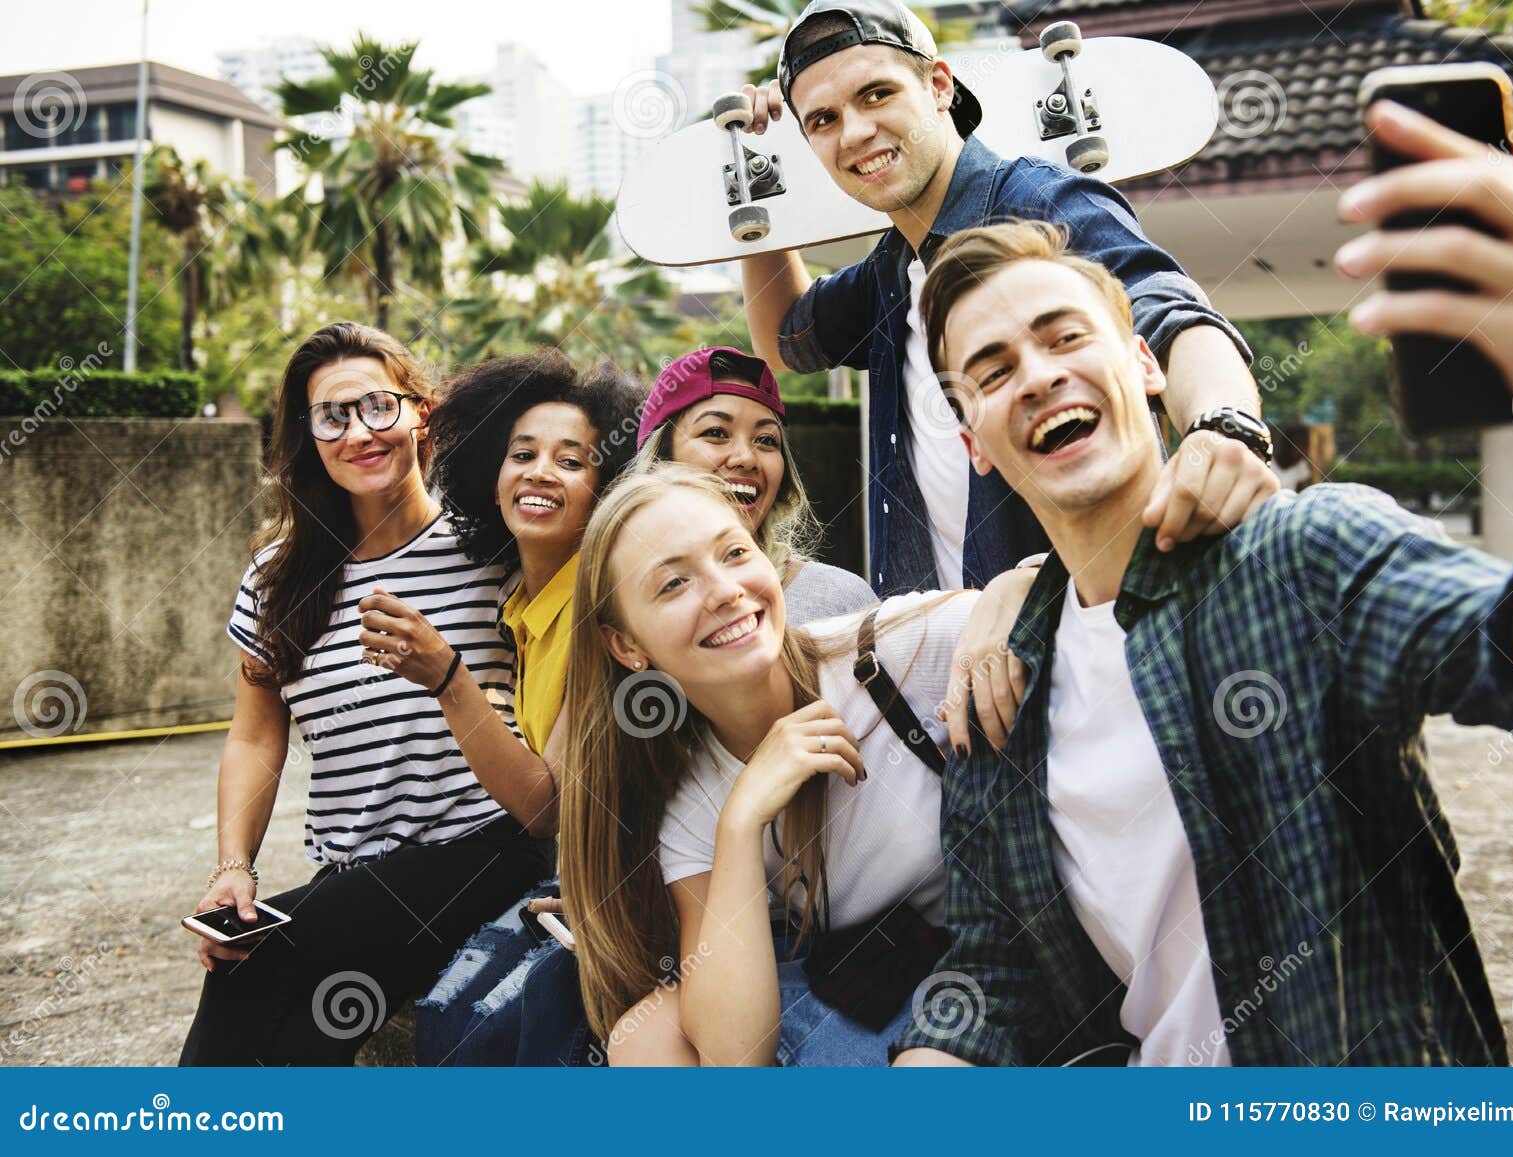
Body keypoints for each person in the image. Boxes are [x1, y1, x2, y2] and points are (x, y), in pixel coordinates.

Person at [892, 103, 1513, 1066]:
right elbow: (993, 974)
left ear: (1144, 363)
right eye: (994, 368)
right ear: (972, 440)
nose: (1037, 377)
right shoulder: (995, 686)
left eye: (1064, 338)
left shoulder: (1300, 554)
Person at [737, 0, 1279, 598]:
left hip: (1088, 630)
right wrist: (758, 180)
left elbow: (1163, 306)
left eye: (876, 95)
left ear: (939, 87)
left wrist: (1222, 427)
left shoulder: (1041, 202)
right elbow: (784, 339)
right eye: (823, 121)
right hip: (952, 656)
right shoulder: (891, 270)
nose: (856, 133)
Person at [179, 323, 549, 1066]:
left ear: (423, 412)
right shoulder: (278, 576)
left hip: (481, 852)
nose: (360, 433)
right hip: (354, 879)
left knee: (254, 963)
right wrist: (233, 869)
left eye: (380, 406)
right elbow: (255, 737)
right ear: (308, 437)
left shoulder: (492, 549)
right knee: (304, 1041)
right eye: (333, 417)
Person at [558, 465, 978, 1066]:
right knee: (641, 1038)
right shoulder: (690, 792)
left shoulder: (887, 657)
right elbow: (734, 1057)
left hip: (979, 970)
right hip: (858, 974)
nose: (725, 591)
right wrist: (742, 818)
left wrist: (1014, 590)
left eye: (733, 553)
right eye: (673, 584)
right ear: (628, 647)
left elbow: (1061, 598)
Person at [368, 350, 641, 1067]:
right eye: (522, 453)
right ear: (492, 476)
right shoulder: (519, 600)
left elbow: (545, 805)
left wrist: (448, 679)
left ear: (606, 488)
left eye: (572, 460)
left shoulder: (601, 605)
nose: (540, 472)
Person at [634, 345, 877, 622]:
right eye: (715, 432)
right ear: (660, 459)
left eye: (766, 440)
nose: (747, 459)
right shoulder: (618, 601)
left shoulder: (839, 600)